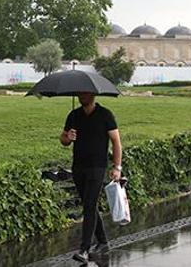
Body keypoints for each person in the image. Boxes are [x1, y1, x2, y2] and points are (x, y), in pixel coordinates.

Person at [60, 92, 123, 263]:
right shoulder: (74, 115)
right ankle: (103, 242)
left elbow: (116, 142)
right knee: (89, 205)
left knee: (89, 205)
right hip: (78, 167)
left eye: (86, 93)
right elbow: (63, 139)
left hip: (97, 167)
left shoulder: (105, 115)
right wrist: (67, 137)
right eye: (80, 93)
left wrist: (117, 167)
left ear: (93, 95)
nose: (82, 96)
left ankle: (84, 249)